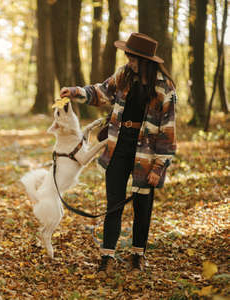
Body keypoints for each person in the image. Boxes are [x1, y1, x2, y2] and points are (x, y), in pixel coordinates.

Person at [60, 32, 177, 274]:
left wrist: (159, 167)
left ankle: (137, 256)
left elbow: (168, 132)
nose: (129, 61)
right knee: (114, 204)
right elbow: (101, 92)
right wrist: (75, 91)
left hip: (146, 153)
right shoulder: (124, 76)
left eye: (132, 58)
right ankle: (107, 258)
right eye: (128, 57)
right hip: (117, 147)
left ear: (145, 60)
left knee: (142, 206)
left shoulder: (164, 89)